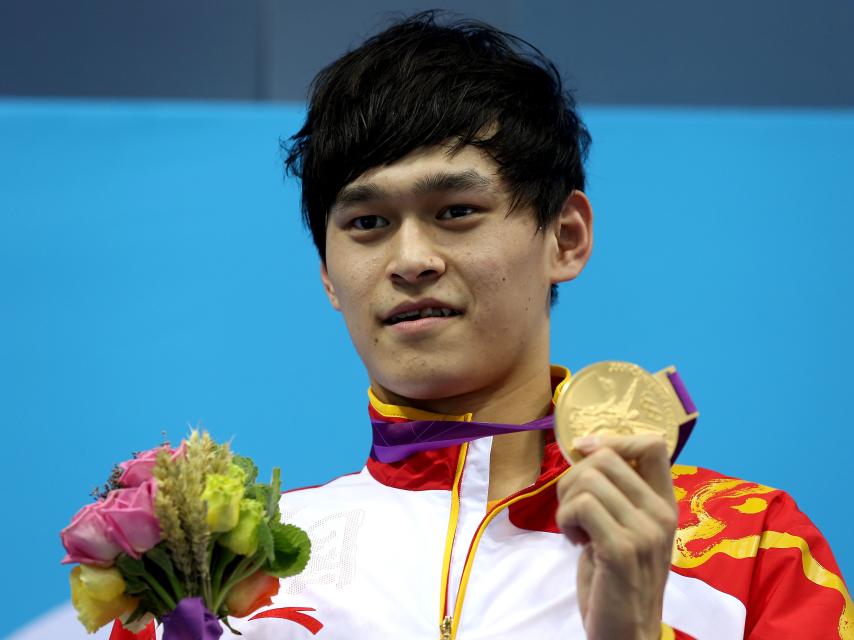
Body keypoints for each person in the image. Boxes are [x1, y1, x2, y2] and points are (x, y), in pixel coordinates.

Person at [113, 10, 851, 640]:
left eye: (456, 212)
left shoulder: (751, 547)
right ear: (328, 276)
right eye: (367, 223)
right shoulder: (213, 578)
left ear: (565, 237)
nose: (410, 259)